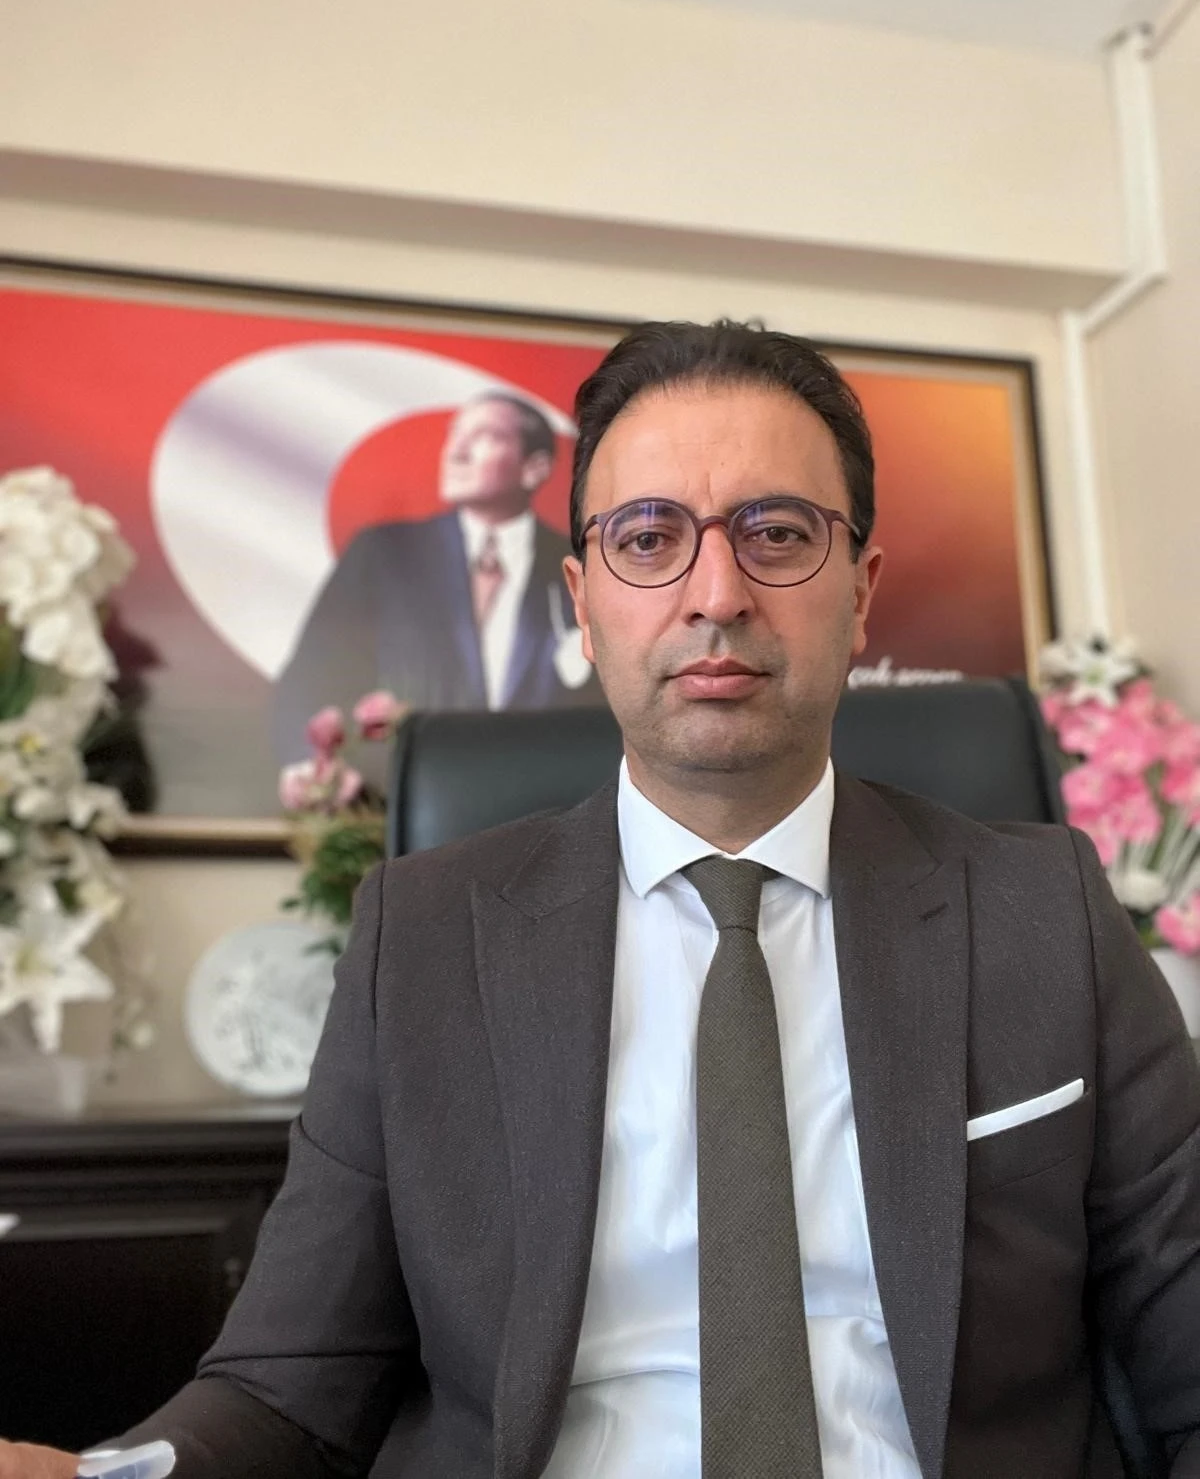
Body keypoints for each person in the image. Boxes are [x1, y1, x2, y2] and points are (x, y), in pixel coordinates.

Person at [8, 320, 1200, 1479]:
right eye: (649, 538)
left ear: (861, 592)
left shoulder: (1044, 913)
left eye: (779, 534)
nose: (717, 592)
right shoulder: (423, 940)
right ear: (581, 602)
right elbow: (289, 1390)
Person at [273, 389, 600, 762]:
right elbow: (311, 679)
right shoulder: (384, 554)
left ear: (534, 468)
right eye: (455, 435)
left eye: (485, 436)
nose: (456, 452)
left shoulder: (579, 565)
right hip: (409, 792)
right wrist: (312, 769)